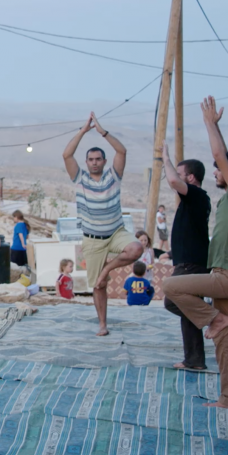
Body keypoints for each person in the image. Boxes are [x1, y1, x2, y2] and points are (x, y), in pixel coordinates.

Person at [164, 96, 228, 412]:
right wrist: (217, 127)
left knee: (171, 287)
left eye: (220, 169)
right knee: (225, 342)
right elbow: (224, 157)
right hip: (227, 277)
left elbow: (220, 156)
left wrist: (208, 124)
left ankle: (214, 318)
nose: (216, 171)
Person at [62, 112, 143, 337]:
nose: (95, 162)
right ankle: (102, 324)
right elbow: (67, 154)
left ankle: (107, 268)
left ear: (104, 161)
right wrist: (83, 131)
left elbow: (122, 151)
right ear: (87, 162)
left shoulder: (113, 176)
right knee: (98, 285)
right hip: (92, 238)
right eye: (91, 159)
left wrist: (102, 132)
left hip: (116, 232)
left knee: (136, 248)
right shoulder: (79, 178)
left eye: (98, 159)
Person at [160, 144, 211, 372]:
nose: (174, 179)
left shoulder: (197, 195)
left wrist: (165, 158)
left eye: (181, 174)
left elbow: (173, 181)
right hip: (187, 261)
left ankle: (214, 318)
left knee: (172, 300)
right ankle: (194, 360)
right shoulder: (191, 201)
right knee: (188, 310)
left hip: (191, 264)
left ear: (190, 178)